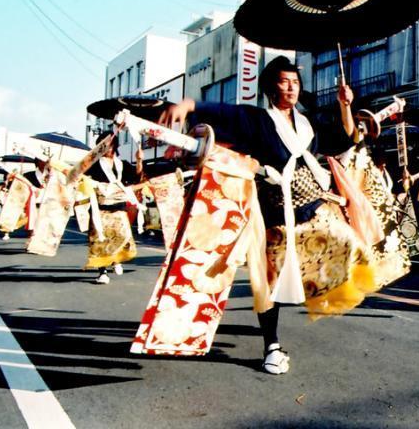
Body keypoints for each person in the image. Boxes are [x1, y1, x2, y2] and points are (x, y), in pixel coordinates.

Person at [160, 56, 375, 374]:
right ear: (270, 88)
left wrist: (345, 105)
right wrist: (189, 104)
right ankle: (271, 346)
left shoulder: (307, 123)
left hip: (314, 208)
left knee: (352, 246)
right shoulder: (256, 120)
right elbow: (223, 112)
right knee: (267, 285)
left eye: (296, 82)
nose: (292, 87)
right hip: (273, 214)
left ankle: (313, 292)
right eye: (284, 81)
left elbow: (343, 139)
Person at [85, 132, 143, 284]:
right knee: (100, 239)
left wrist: (139, 160)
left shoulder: (122, 164)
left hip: (118, 206)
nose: (108, 149)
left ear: (115, 146)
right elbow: (81, 177)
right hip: (100, 207)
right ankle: (102, 272)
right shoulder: (93, 164)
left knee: (121, 236)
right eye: (105, 145)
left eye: (111, 145)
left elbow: (136, 177)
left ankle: (116, 260)